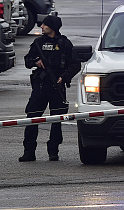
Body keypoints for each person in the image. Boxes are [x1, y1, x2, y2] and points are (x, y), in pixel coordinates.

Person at [19, 14, 81, 162]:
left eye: (44, 25)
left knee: (57, 120)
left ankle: (53, 151)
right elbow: (27, 61)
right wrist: (36, 62)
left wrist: (64, 77)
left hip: (57, 86)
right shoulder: (38, 43)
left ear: (52, 27)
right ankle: (29, 151)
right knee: (32, 118)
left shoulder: (65, 43)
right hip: (40, 86)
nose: (41, 27)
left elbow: (75, 65)